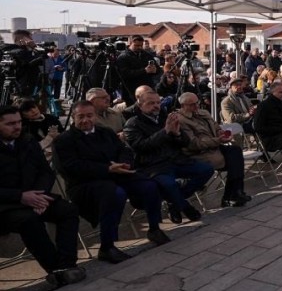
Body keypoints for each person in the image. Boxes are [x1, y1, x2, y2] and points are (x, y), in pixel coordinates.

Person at [54, 101, 170, 264]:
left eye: (89, 115)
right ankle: (107, 246)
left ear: (95, 116)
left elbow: (124, 150)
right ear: (73, 117)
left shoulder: (105, 132)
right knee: (116, 194)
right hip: (85, 183)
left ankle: (154, 228)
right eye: (81, 116)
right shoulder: (63, 140)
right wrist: (108, 168)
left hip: (116, 174)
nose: (86, 120)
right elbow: (71, 167)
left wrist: (124, 163)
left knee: (149, 185)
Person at [0, 105, 86, 287]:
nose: (17, 127)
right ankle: (56, 269)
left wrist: (38, 195)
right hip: (8, 205)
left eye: (19, 122)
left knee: (68, 210)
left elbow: (46, 172)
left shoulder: (27, 141)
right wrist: (21, 196)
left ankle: (66, 266)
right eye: (10, 124)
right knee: (29, 221)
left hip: (36, 196)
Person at [123, 92, 214, 224]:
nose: (156, 106)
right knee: (169, 184)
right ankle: (185, 207)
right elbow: (141, 147)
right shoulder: (132, 124)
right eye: (151, 103)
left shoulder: (164, 117)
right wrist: (165, 131)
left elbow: (185, 142)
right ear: (140, 105)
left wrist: (177, 134)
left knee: (206, 170)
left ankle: (175, 202)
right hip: (153, 165)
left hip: (176, 160)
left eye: (157, 103)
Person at [176, 93, 251, 207]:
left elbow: (216, 127)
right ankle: (232, 194)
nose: (196, 106)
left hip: (214, 146)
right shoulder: (181, 120)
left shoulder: (204, 113)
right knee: (234, 162)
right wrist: (218, 140)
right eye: (192, 105)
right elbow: (194, 144)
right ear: (183, 105)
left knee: (235, 151)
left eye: (197, 103)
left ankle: (235, 193)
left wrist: (222, 134)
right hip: (199, 153)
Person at [116, 35, 160, 105]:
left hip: (147, 88)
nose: (139, 47)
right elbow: (124, 74)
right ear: (130, 43)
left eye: (141, 45)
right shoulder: (123, 57)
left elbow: (158, 69)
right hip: (131, 90)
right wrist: (144, 71)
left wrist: (155, 70)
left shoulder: (146, 55)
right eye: (136, 45)